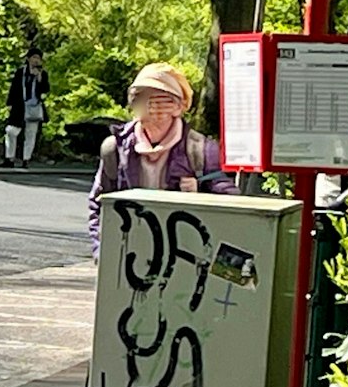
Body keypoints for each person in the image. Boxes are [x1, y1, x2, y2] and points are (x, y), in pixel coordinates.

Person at [86, 62, 236, 254]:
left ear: (178, 107)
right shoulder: (115, 148)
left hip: (184, 256)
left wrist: (199, 194)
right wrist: (102, 252)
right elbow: (99, 205)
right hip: (129, 256)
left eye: (159, 100)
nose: (149, 107)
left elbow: (230, 208)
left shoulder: (201, 150)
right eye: (139, 97)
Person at [2, 47, 49, 168]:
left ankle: (26, 159)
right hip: (19, 107)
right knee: (11, 131)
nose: (36, 60)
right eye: (34, 57)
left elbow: (45, 90)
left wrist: (39, 78)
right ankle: (9, 158)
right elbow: (14, 88)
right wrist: (9, 104)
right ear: (28, 59)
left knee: (31, 134)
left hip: (34, 107)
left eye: (38, 58)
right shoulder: (21, 72)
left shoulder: (43, 74)